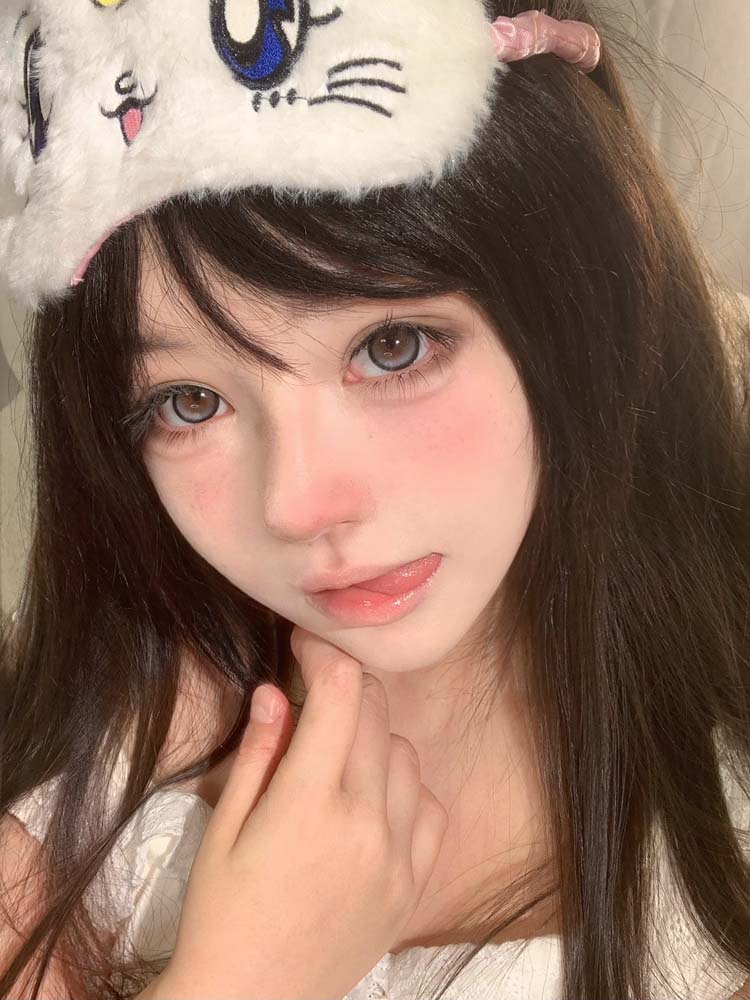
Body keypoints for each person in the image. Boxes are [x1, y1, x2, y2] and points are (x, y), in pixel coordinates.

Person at [1, 1, 749, 998]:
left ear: (589, 290)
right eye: (188, 401)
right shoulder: (65, 795)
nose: (298, 505)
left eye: (391, 347)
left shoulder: (716, 864)